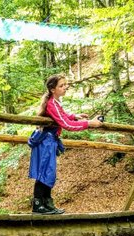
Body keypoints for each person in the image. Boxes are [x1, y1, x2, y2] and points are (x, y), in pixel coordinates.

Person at [28, 74, 102, 214]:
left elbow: (62, 117)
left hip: (50, 141)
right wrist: (90, 123)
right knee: (44, 173)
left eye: (65, 85)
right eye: (61, 86)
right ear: (52, 89)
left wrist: (75, 116)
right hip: (45, 142)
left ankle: (47, 203)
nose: (65, 87)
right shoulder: (51, 104)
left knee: (49, 173)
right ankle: (38, 205)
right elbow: (66, 125)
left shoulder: (55, 102)